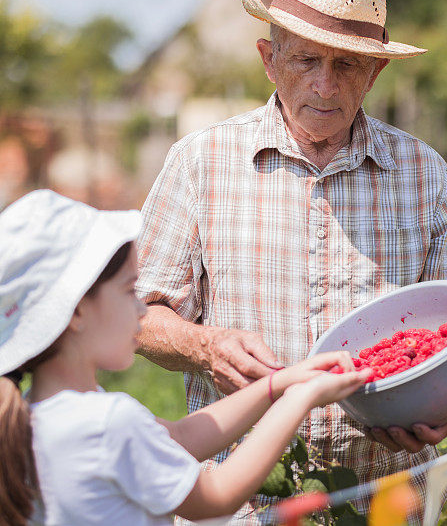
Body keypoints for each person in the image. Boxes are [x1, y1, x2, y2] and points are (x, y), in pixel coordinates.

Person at [135, 0, 447, 522]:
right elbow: (141, 318)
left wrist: (442, 402)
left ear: (375, 73)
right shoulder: (200, 164)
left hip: (384, 502)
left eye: (347, 64)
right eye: (305, 60)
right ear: (268, 60)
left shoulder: (424, 175)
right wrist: (205, 346)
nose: (326, 84)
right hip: (243, 505)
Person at [0, 190, 372, 526]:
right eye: (130, 291)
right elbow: (217, 497)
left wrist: (277, 385)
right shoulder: (109, 423)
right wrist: (301, 399)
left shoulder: (35, 417)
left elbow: (179, 436)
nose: (142, 310)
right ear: (77, 311)